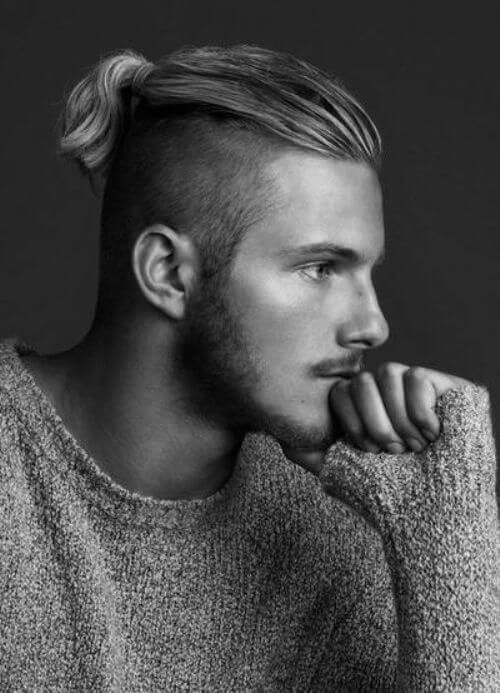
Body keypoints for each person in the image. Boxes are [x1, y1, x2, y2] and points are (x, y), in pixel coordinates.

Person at [0, 44, 497, 691]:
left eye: (365, 272)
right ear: (167, 273)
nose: (373, 324)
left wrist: (450, 528)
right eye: (320, 268)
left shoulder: (332, 545)